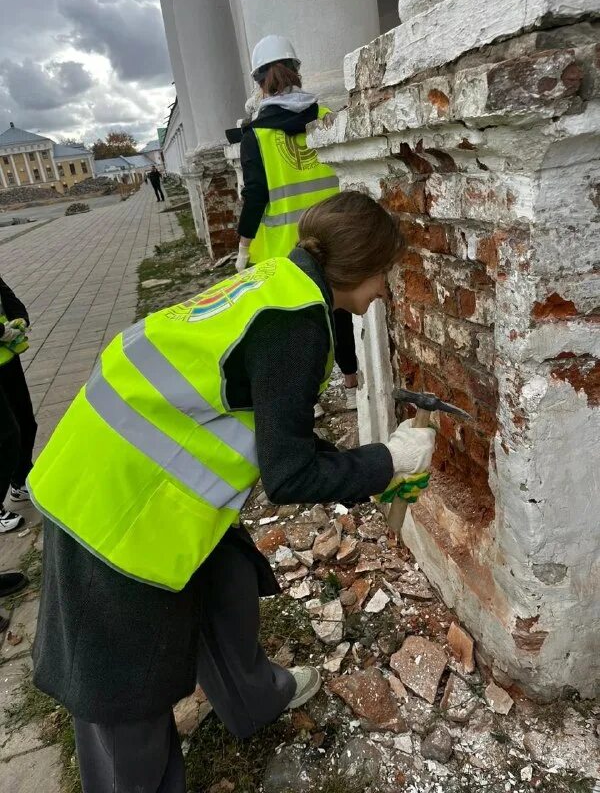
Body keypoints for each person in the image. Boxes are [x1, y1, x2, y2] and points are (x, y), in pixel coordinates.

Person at [29, 192, 436, 793]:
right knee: (121, 682)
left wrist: (380, 463)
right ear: (352, 268)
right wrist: (387, 460)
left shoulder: (285, 282)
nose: (384, 291)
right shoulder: (295, 327)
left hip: (138, 467)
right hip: (113, 499)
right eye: (382, 274)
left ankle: (252, 697)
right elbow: (289, 476)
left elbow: (281, 438)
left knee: (226, 582)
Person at [235, 35, 359, 410]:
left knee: (297, 325)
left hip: (284, 250)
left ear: (259, 82)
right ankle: (352, 377)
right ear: (297, 72)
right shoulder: (326, 119)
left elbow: (256, 194)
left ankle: (311, 397)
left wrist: (243, 247)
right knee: (337, 307)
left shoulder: (255, 135)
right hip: (334, 235)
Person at [0, 275, 37, 533]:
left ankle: (21, 480)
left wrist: (20, 318)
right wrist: (2, 331)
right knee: (6, 436)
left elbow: (6, 294)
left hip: (5, 357)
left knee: (26, 422)